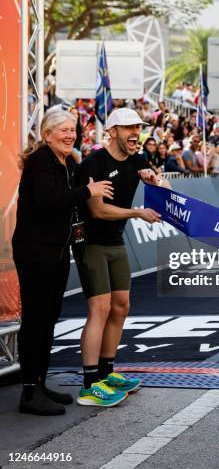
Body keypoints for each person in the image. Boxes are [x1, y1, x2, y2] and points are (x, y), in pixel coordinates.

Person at [12, 110, 113, 416]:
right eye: (64, 131)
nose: (70, 135)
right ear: (47, 134)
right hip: (35, 251)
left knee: (50, 317)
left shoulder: (68, 162)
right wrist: (86, 191)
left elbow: (94, 179)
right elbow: (48, 201)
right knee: (36, 319)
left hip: (56, 249)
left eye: (73, 130)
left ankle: (40, 384)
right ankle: (29, 391)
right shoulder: (41, 161)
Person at [74, 107, 170, 407]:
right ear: (112, 132)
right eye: (129, 128)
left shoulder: (138, 159)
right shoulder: (94, 163)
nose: (135, 133)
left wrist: (156, 181)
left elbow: (166, 190)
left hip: (115, 241)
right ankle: (90, 384)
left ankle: (106, 371)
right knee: (100, 308)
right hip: (91, 242)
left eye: (138, 128)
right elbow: (98, 210)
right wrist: (137, 212)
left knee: (121, 306)